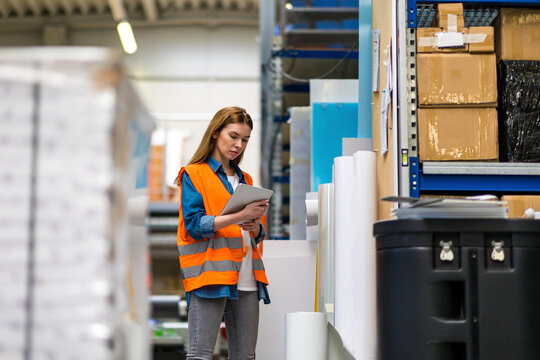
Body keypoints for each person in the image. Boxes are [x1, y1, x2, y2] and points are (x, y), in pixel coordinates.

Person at [176, 106, 270, 360]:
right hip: (210, 275)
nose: (239, 145)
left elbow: (256, 233)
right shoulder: (194, 174)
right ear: (216, 133)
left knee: (245, 356)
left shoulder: (246, 178)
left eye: (245, 140)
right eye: (233, 136)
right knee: (200, 354)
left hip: (248, 275)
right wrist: (240, 216)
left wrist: (256, 227)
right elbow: (194, 225)